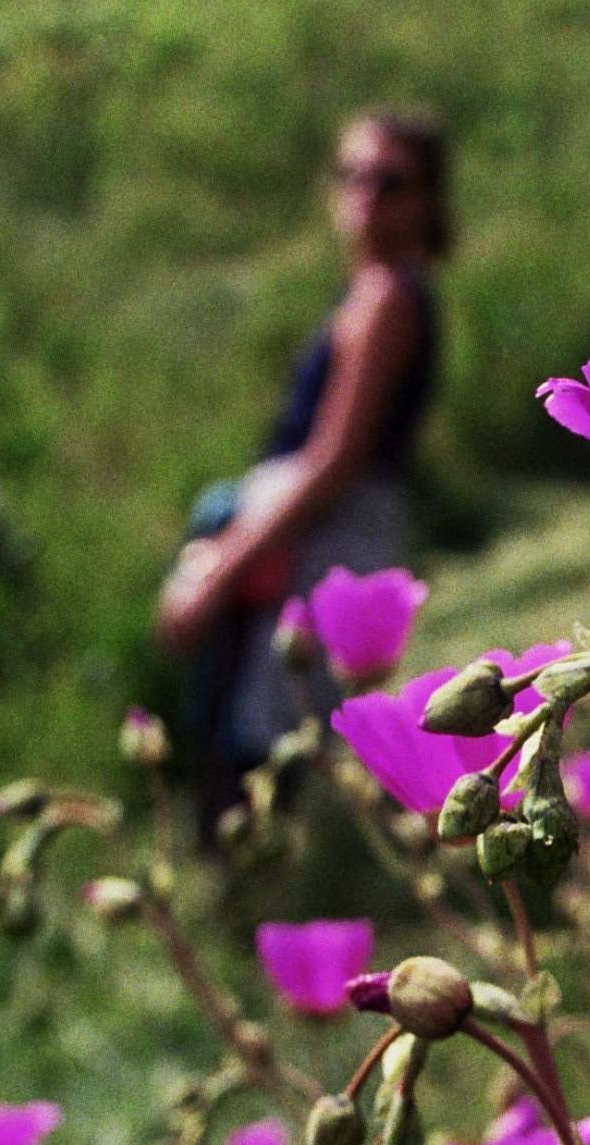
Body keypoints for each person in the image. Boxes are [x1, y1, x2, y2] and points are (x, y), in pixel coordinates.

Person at [156, 110, 446, 822]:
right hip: (316, 525)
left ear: (428, 202)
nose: (365, 194)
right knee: (277, 727)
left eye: (389, 180)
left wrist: (218, 573)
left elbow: (335, 459)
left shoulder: (386, 299)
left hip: (325, 533)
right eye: (351, 174)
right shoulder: (374, 292)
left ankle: (253, 901)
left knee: (265, 731)